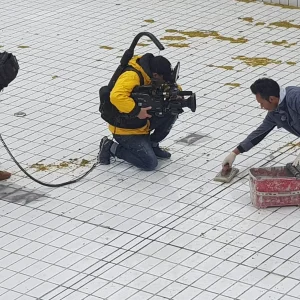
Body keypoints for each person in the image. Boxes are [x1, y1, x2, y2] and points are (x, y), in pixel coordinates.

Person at [98, 53, 179, 171]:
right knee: (149, 163)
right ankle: (110, 147)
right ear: (156, 75)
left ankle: (152, 144)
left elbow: (168, 85)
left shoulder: (152, 75)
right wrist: (137, 111)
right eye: (164, 80)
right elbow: (116, 97)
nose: (164, 83)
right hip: (126, 129)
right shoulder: (132, 76)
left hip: (142, 123)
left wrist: (175, 93)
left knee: (171, 110)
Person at [222, 78, 300, 169]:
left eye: (262, 103)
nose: (261, 107)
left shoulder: (295, 98)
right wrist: (234, 153)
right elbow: (259, 133)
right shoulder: (274, 113)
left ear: (271, 99)